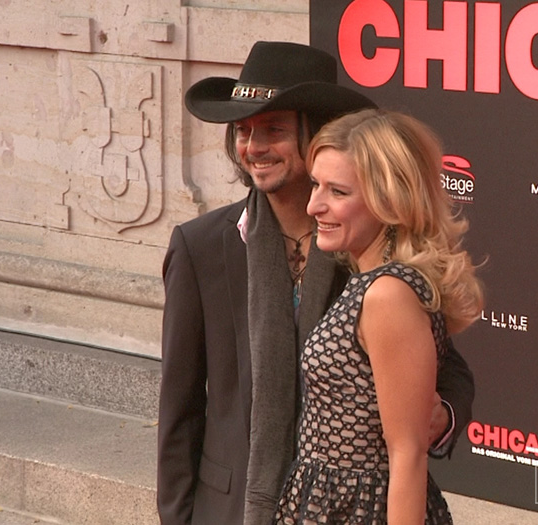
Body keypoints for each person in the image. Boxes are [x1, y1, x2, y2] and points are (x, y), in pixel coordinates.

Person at [157, 41, 475, 525]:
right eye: (242, 130)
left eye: (274, 129)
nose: (253, 147)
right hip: (230, 508)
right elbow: (178, 411)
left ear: (317, 135)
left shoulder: (363, 244)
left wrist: (437, 415)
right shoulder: (199, 247)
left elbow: (445, 368)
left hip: (349, 506)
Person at [273, 108, 484, 524]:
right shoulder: (372, 282)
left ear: (389, 200)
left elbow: (406, 454)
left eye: (338, 192)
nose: (314, 205)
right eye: (316, 185)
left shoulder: (389, 294)